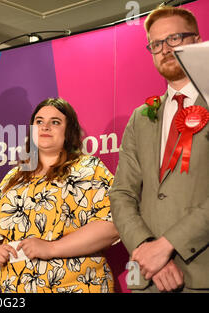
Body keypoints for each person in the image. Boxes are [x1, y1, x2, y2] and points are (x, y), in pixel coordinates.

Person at [110, 5, 208, 293]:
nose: (165, 49)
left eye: (174, 38)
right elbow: (122, 193)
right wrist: (146, 247)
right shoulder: (141, 117)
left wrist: (168, 245)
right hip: (148, 276)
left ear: (197, 40)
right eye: (156, 44)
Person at [0, 98, 119, 293]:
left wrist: (51, 248)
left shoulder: (89, 169)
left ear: (69, 131)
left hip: (77, 285)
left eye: (55, 122)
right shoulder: (13, 177)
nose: (45, 127)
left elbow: (113, 224)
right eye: (39, 121)